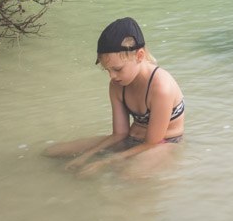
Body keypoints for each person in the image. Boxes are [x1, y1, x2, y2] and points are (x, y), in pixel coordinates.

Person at [43, 17, 185, 177]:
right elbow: (119, 134)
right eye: (107, 70)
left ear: (139, 55)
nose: (112, 76)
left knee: (126, 175)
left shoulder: (161, 88)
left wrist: (105, 161)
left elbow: (151, 142)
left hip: (161, 143)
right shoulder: (117, 85)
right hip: (130, 139)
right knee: (52, 152)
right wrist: (86, 157)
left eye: (117, 69)